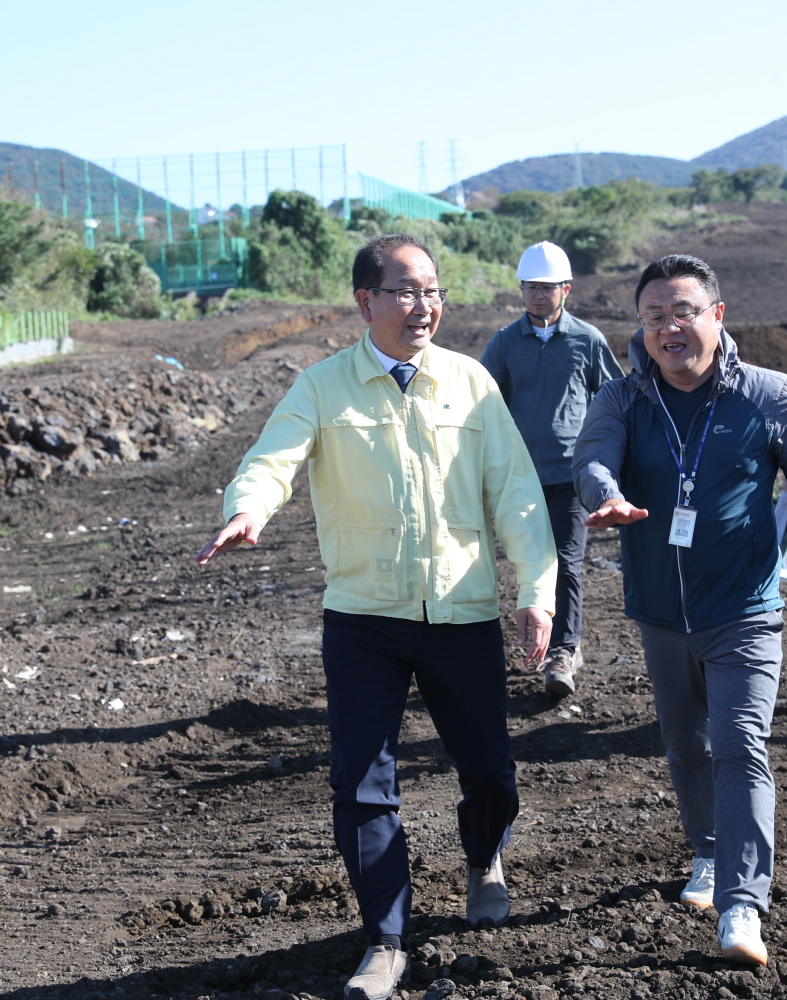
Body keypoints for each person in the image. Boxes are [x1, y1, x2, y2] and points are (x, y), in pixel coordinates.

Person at [196, 233, 557, 1000]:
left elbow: (518, 493)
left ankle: (483, 854)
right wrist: (248, 509)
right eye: (404, 291)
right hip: (364, 616)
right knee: (361, 784)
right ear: (366, 301)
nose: (423, 305)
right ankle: (386, 940)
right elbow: (272, 459)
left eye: (432, 290)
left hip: (460, 610)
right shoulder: (324, 386)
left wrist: (536, 589)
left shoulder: (470, 384)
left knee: (489, 769)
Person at [574, 254, 787, 966]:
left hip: (743, 609)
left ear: (717, 315)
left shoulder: (771, 395)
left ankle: (741, 906)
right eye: (653, 317)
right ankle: (706, 854)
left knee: (740, 746)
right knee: (685, 745)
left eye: (682, 312)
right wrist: (603, 494)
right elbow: (592, 456)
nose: (668, 328)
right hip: (661, 613)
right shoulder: (622, 399)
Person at [481, 241, 623, 698]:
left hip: (571, 476)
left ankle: (563, 652)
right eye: (530, 288)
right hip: (520, 478)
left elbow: (614, 400)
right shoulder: (504, 343)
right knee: (529, 565)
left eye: (547, 288)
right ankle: (532, 642)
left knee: (567, 563)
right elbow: (483, 405)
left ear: (566, 289)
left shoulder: (588, 339)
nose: (538, 296)